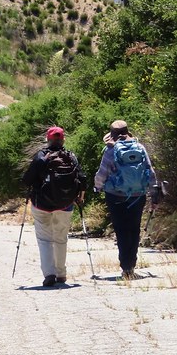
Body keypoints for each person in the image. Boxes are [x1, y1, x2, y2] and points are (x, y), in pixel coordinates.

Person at [21, 126, 87, 287]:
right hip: (65, 205)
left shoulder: (41, 157)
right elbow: (82, 178)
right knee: (61, 238)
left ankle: (49, 274)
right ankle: (61, 274)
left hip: (42, 204)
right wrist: (80, 197)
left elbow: (26, 180)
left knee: (45, 239)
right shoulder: (70, 157)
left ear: (47, 139)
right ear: (63, 140)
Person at [94, 120, 157, 281]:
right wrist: (153, 191)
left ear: (112, 135)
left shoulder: (111, 150)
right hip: (138, 195)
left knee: (121, 230)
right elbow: (150, 171)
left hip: (115, 196)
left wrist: (97, 187)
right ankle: (132, 265)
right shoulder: (140, 147)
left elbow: (102, 173)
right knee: (134, 229)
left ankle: (125, 267)